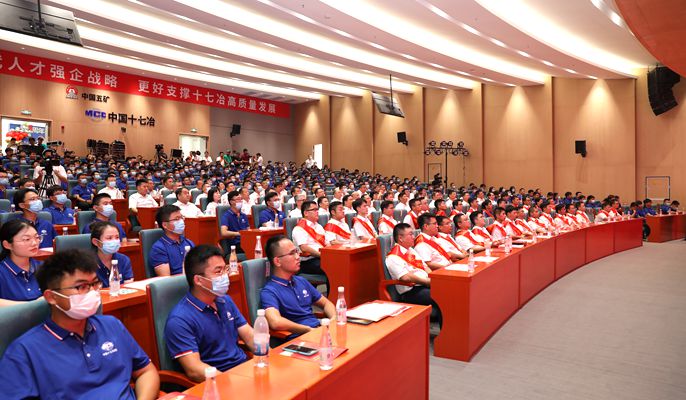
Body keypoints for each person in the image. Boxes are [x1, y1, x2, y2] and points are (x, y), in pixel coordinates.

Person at [0, 249, 159, 399]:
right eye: (81, 287)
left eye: (95, 284)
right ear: (51, 297)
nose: (92, 292)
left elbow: (146, 371)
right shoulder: (24, 351)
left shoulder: (112, 325)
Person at [165, 245, 254, 382]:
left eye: (225, 269)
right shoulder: (179, 319)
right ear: (198, 280)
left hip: (244, 370)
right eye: (218, 272)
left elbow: (249, 336)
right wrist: (229, 382)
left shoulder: (225, 300)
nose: (225, 276)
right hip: (217, 382)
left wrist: (271, 358)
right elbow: (194, 369)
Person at [261, 235, 335, 338]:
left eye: (296, 251)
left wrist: (333, 319)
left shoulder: (301, 281)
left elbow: (326, 303)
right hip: (301, 338)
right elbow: (275, 322)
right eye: (292, 253)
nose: (297, 257)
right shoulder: (270, 291)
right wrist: (307, 329)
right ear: (277, 261)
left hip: (318, 330)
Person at [385, 223, 440, 321]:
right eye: (410, 234)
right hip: (412, 291)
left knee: (448, 290)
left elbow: (425, 266)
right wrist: (427, 282)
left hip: (425, 284)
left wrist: (432, 278)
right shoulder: (393, 257)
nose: (414, 237)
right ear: (400, 238)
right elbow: (405, 277)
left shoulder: (411, 250)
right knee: (442, 295)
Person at [0, 220, 42, 306]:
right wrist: (34, 306)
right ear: (7, 245)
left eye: (37, 237)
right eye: (27, 239)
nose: (34, 243)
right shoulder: (2, 272)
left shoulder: (44, 267)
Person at [149, 205, 195, 276]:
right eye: (177, 219)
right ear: (165, 225)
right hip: (178, 282)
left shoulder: (188, 242)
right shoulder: (159, 248)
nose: (181, 221)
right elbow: (166, 279)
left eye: (181, 218)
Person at [90, 221, 134, 287]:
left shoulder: (124, 260)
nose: (114, 241)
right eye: (109, 238)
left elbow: (128, 287)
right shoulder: (87, 263)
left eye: (117, 237)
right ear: (96, 242)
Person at [291, 200, 329, 276]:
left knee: (340, 262)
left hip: (322, 257)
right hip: (308, 261)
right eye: (314, 210)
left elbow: (326, 242)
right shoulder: (299, 228)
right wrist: (321, 255)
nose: (317, 212)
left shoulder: (318, 226)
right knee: (331, 266)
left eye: (317, 209)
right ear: (306, 213)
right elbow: (304, 248)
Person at [219, 191, 249, 255]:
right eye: (238, 199)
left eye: (241, 199)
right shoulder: (227, 216)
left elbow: (248, 230)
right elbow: (223, 232)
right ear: (231, 202)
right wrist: (239, 233)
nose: (240, 201)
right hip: (236, 244)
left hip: (246, 241)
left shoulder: (243, 215)